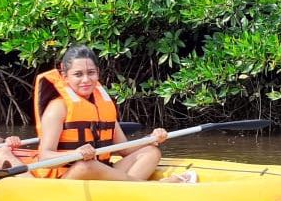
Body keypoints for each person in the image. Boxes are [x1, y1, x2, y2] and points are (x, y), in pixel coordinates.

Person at [33, 45, 197, 183]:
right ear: (65, 76)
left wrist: (151, 139)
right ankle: (158, 187)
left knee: (151, 152)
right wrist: (75, 154)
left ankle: (129, 191)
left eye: (91, 73)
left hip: (102, 169)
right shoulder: (57, 108)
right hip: (69, 176)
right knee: (87, 165)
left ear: (97, 72)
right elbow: (44, 157)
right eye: (78, 74)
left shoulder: (102, 105)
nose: (86, 80)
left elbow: (123, 149)